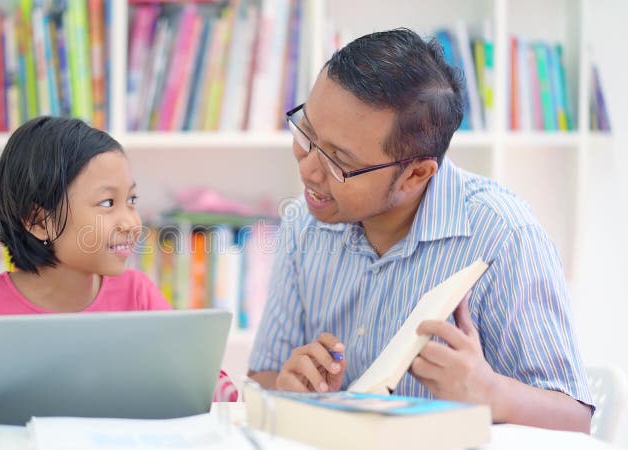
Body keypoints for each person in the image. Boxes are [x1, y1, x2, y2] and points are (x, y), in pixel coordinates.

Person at [247, 28, 593, 432]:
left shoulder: (503, 236)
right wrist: (294, 392)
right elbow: (263, 380)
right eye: (306, 132)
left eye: (338, 161)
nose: (307, 168)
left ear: (416, 174)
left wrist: (491, 392)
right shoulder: (303, 223)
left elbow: (575, 421)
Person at [0, 117, 236, 425]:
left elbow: (206, 385)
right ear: (38, 221)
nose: (131, 221)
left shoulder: (137, 294)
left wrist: (223, 393)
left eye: (131, 199)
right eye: (107, 203)